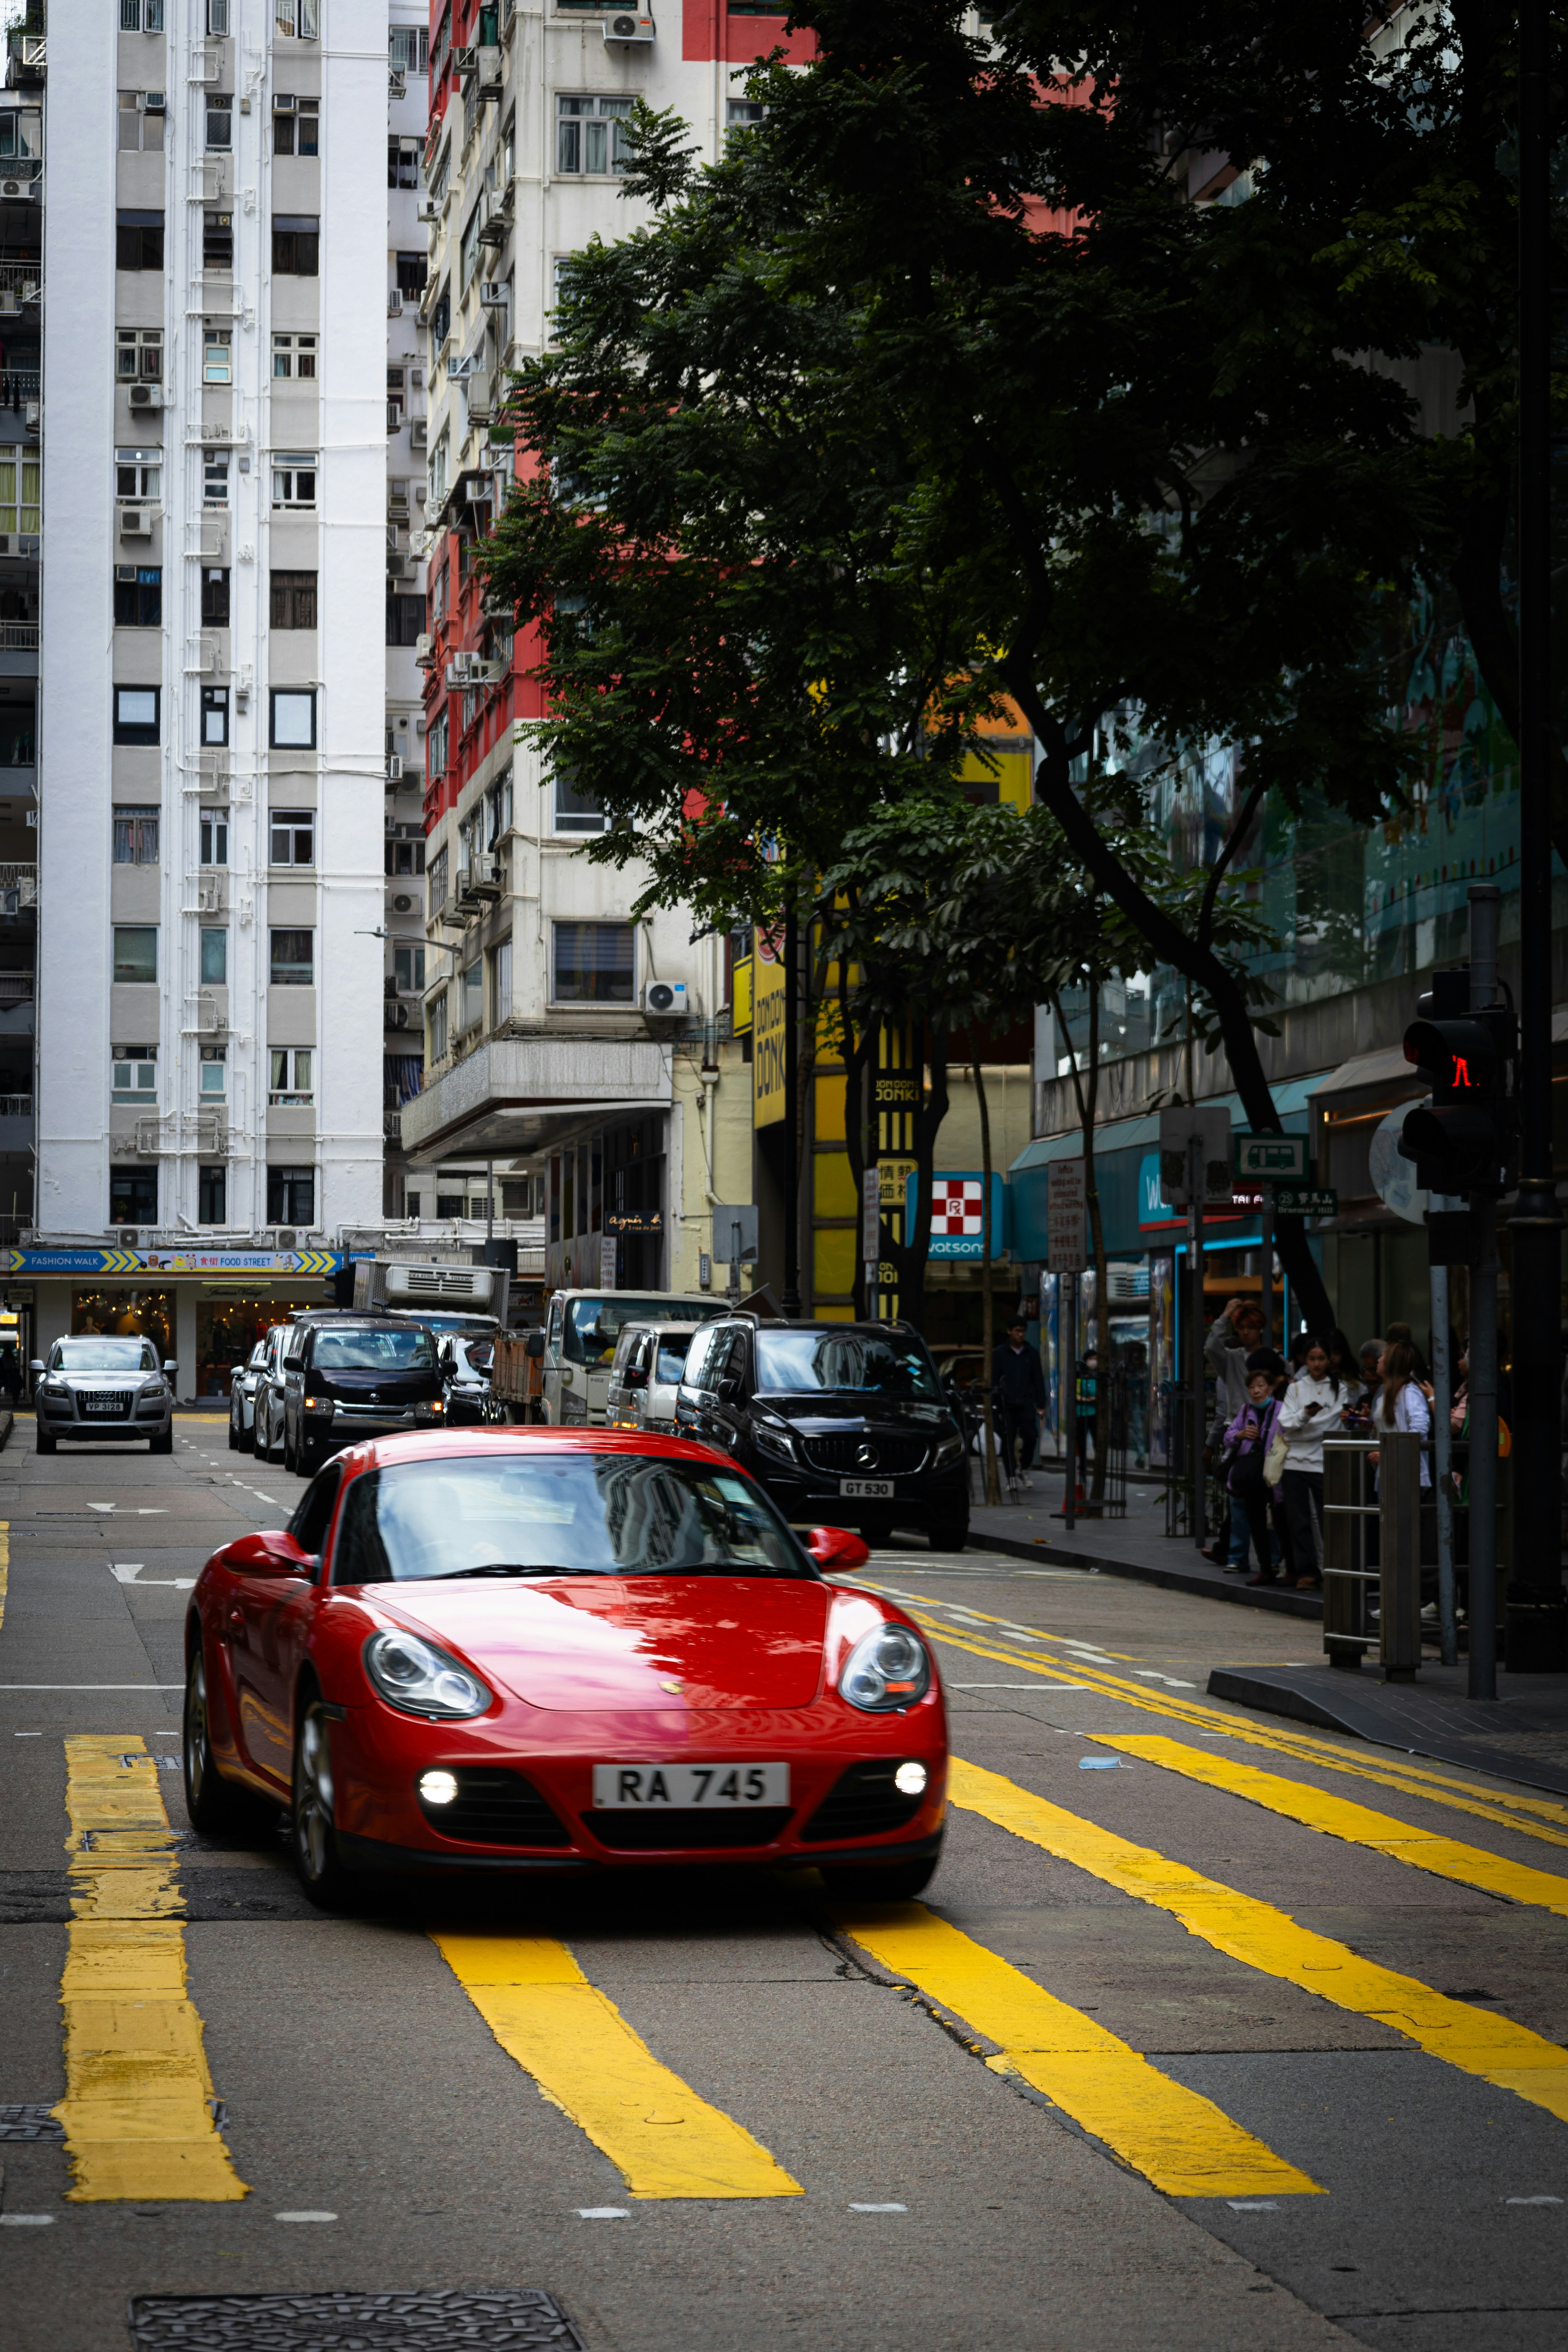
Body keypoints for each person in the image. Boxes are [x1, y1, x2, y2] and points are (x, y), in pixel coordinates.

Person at [1276, 1336, 1359, 1590]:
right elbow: (1285, 1424)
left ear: (1329, 1359)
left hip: (1324, 1460)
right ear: (1305, 1359)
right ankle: (1307, 1572)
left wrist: (1300, 1423)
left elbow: (1330, 1423)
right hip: (1294, 1463)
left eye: (1321, 1358)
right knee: (1298, 1521)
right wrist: (1305, 1416)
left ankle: (1334, 1568)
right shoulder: (1296, 1388)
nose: (1316, 1363)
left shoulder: (1340, 1388)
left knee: (1331, 1519)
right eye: (1312, 1358)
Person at [1221, 1366, 1282, 1579]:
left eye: (1261, 1386)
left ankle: (1274, 1561)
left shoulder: (1282, 1410)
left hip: (1271, 1473)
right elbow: (1228, 1437)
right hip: (1246, 1472)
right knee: (1239, 1515)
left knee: (1270, 1519)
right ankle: (1237, 1560)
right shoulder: (1246, 1410)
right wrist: (1240, 1434)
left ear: (1271, 1389)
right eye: (1252, 1387)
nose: (1256, 1391)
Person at [991, 1316, 1047, 1490]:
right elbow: (994, 1380)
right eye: (1017, 1331)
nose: (1021, 1334)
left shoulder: (1032, 1353)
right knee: (1008, 1441)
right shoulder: (1000, 1353)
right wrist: (995, 1404)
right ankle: (1011, 1476)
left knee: (1031, 1437)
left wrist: (1041, 1404)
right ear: (1009, 1332)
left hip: (1026, 1402)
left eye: (1023, 1331)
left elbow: (1038, 1379)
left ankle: (1023, 1467)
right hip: (1006, 1403)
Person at [1205, 1296, 1269, 1424]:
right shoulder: (1231, 1359)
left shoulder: (1274, 1358)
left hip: (1267, 1426)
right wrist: (1225, 1316)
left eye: (1251, 1327)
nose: (1246, 1332)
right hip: (1238, 1426)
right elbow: (1210, 1348)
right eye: (1241, 1327)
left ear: (1260, 1329)